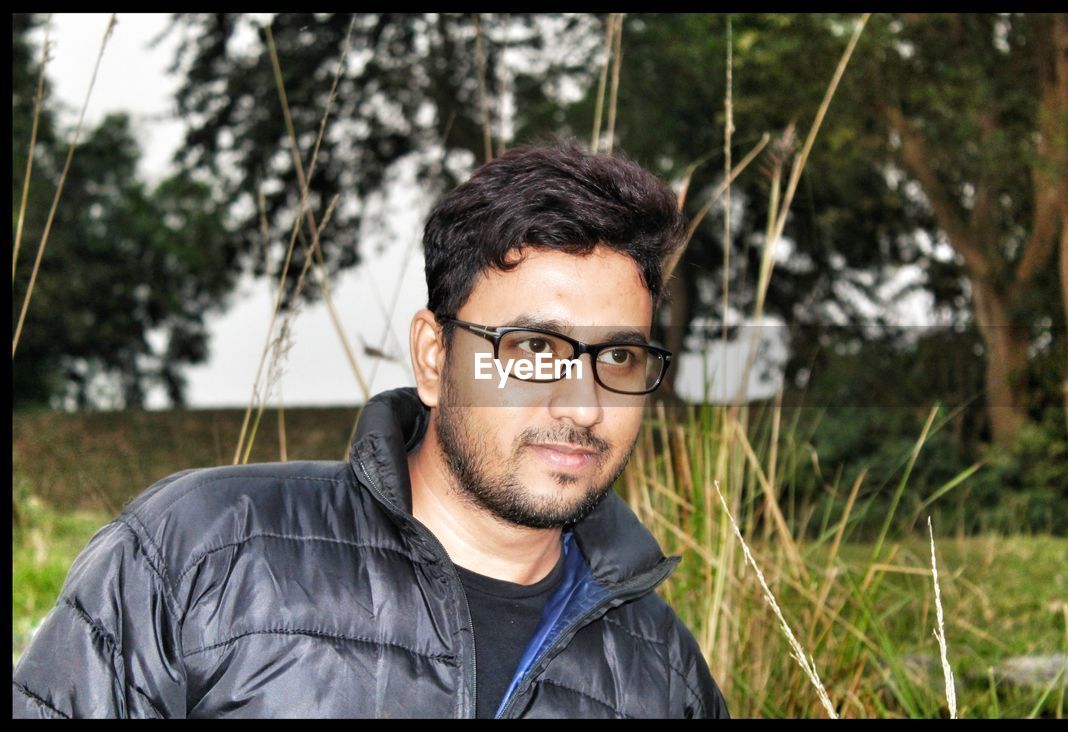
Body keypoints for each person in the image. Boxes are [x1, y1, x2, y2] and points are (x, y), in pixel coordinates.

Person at [12, 141, 730, 719]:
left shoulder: (663, 675)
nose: (582, 407)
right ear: (432, 356)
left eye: (620, 356)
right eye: (533, 351)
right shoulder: (205, 553)